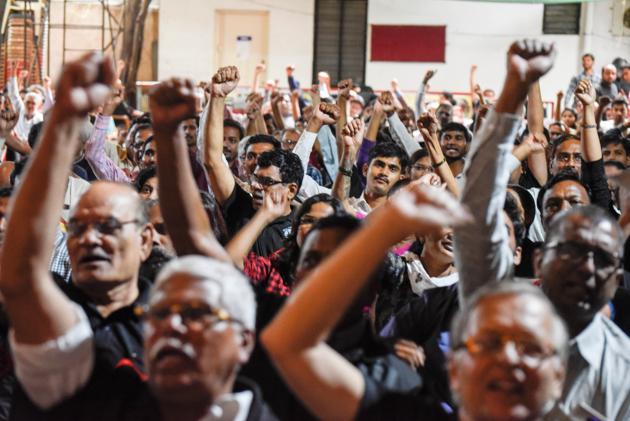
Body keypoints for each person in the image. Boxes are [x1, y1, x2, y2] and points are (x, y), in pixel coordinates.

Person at [454, 41, 630, 419]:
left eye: (601, 257)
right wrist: (515, 87)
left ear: (618, 276)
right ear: (539, 259)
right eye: (568, 249)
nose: (585, 267)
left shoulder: (625, 369)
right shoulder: (502, 310)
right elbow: (476, 205)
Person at [0, 53, 156, 418]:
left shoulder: (169, 325)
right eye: (78, 227)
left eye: (107, 227)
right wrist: (64, 119)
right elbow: (19, 275)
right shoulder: (51, 313)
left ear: (146, 240)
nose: (90, 239)